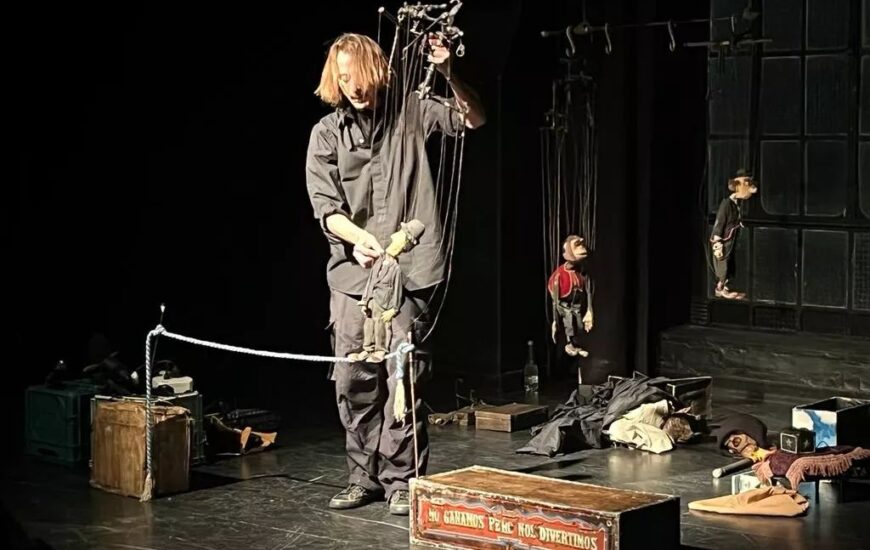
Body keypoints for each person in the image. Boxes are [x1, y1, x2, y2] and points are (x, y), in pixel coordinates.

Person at [305, 32, 485, 516]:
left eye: (361, 77)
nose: (354, 87)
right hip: (353, 276)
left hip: (410, 272)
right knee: (353, 380)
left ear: (378, 73)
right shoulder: (327, 134)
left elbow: (472, 118)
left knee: (403, 381)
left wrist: (448, 72)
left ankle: (403, 480)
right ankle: (361, 477)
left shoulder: (412, 111)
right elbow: (326, 208)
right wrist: (356, 238)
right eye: (344, 78)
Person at [710, 169, 757, 299]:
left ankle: (726, 287)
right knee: (723, 264)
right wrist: (717, 242)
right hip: (724, 240)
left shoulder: (736, 205)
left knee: (730, 264)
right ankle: (719, 289)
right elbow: (719, 223)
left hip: (731, 239)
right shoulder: (726, 204)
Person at [547, 235, 593, 357]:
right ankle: (570, 345)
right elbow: (555, 298)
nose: (582, 248)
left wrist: (589, 310)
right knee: (569, 323)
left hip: (576, 305)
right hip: (564, 306)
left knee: (579, 325)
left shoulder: (582, 272)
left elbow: (588, 290)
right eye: (577, 245)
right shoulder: (559, 275)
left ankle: (576, 345)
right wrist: (555, 320)